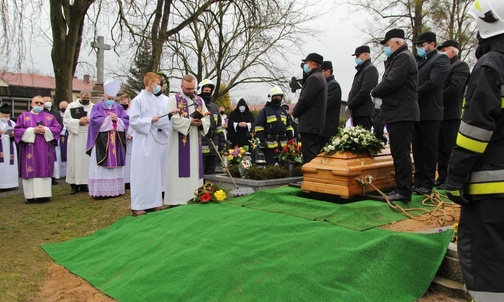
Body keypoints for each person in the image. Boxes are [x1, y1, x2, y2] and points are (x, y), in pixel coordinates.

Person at [445, 1, 504, 300]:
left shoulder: (491, 65)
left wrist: (455, 176)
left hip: (491, 188)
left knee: (487, 262)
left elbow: (474, 131)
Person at [371, 29, 419, 203]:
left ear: (397, 43)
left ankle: (403, 190)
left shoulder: (403, 57)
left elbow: (392, 81)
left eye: (387, 45)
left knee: (401, 153)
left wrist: (374, 92)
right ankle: (401, 187)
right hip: (397, 112)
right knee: (398, 152)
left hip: (402, 112)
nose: (386, 48)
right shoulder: (398, 58)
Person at [129, 72, 178, 216]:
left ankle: (153, 203)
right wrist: (150, 120)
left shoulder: (156, 100)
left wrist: (169, 115)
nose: (159, 86)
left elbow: (161, 120)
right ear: (150, 83)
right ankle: (138, 205)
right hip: (142, 140)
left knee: (154, 172)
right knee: (141, 173)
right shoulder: (138, 100)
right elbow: (134, 121)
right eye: (157, 83)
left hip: (154, 140)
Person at [411, 31, 451, 196]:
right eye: (418, 45)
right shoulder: (420, 61)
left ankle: (427, 182)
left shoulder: (440, 59)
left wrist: (413, 94)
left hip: (431, 111)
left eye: (422, 45)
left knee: (429, 148)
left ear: (432, 44)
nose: (420, 48)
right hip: (417, 112)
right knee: (418, 148)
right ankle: (418, 180)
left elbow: (434, 83)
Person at [165, 74, 210, 206]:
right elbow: (172, 119)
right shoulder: (173, 99)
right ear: (181, 86)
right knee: (178, 169)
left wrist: (201, 123)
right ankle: (177, 199)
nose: (191, 91)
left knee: (194, 169)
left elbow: (207, 117)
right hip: (179, 142)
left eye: (192, 88)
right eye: (188, 89)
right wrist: (189, 122)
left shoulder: (199, 100)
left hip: (195, 140)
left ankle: (194, 196)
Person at [434, 40, 470, 190]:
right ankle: (442, 176)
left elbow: (454, 88)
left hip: (451, 114)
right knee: (440, 148)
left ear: (453, 51)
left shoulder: (460, 66)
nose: (441, 53)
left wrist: (435, 98)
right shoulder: (443, 67)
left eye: (444, 50)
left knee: (449, 148)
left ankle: (450, 178)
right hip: (439, 114)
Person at [86, 78, 129, 198]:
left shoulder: (119, 108)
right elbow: (94, 121)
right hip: (102, 142)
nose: (111, 101)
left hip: (116, 140)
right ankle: (100, 191)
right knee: (101, 166)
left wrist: (118, 120)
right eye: (108, 98)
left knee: (115, 165)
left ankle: (115, 190)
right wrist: (108, 120)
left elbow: (126, 120)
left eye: (112, 99)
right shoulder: (97, 107)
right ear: (104, 95)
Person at [14, 96, 61, 203]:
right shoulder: (23, 116)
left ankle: (43, 195)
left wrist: (46, 130)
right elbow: (17, 130)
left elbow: (57, 128)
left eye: (41, 103)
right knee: (30, 169)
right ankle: (30, 196)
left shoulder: (50, 117)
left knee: (44, 168)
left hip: (45, 150)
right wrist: (32, 130)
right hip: (29, 150)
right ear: (31, 104)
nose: (39, 104)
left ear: (44, 105)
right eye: (37, 102)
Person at [292, 53, 328, 164]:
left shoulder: (314, 79)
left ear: (313, 64)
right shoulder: (319, 77)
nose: (305, 65)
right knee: (312, 152)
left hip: (310, 124)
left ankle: (310, 179)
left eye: (306, 63)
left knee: (309, 155)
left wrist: (295, 112)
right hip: (314, 123)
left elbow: (305, 100)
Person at [64, 90, 94, 195]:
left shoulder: (93, 107)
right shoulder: (72, 106)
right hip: (76, 136)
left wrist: (90, 121)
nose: (86, 100)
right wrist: (78, 122)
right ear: (80, 96)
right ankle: (74, 185)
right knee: (74, 160)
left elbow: (97, 120)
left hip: (88, 136)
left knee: (86, 162)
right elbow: (66, 121)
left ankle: (84, 184)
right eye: (84, 98)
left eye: (87, 98)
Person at [255, 86, 295, 165]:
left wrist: (291, 139)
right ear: (271, 97)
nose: (278, 99)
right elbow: (259, 127)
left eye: (279, 97)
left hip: (283, 147)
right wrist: (262, 141)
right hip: (269, 146)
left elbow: (288, 126)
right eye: (276, 97)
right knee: (270, 168)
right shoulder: (264, 111)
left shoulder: (283, 111)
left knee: (283, 169)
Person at [346, 45, 379, 131]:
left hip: (364, 113)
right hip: (357, 113)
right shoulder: (361, 71)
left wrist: (351, 105)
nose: (356, 59)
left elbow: (365, 91)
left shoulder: (370, 69)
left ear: (366, 55)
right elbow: (353, 90)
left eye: (358, 56)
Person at [199, 79, 225, 175]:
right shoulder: (196, 106)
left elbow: (218, 126)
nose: (208, 93)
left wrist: (222, 140)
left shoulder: (214, 107)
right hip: (201, 144)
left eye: (209, 91)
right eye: (206, 91)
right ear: (200, 91)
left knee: (211, 174)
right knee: (200, 173)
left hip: (213, 146)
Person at [319, 61, 342, 150]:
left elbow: (326, 105)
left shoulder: (333, 86)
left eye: (321, 72)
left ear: (328, 72)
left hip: (327, 129)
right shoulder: (326, 85)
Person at [42, 96, 63, 183]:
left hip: (53, 138)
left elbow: (59, 125)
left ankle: (54, 176)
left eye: (49, 101)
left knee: (55, 158)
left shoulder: (56, 113)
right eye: (46, 101)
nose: (48, 102)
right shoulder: (41, 112)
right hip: (42, 139)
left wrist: (53, 133)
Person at [0, 104, 19, 189]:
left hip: (10, 145)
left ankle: (11, 184)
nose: (6, 117)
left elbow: (18, 134)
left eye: (7, 116)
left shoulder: (12, 123)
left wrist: (13, 135)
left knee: (10, 165)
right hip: (1, 145)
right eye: (4, 116)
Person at [119, 94, 132, 189]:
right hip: (119, 138)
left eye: (125, 103)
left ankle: (129, 181)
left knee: (129, 160)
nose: (123, 104)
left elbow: (133, 124)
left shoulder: (131, 112)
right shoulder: (117, 112)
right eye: (122, 103)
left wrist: (130, 134)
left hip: (130, 139)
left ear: (129, 103)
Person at [58, 101, 69, 179]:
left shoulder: (69, 114)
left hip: (67, 136)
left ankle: (66, 172)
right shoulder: (57, 115)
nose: (63, 108)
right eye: (62, 106)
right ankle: (59, 173)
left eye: (65, 107)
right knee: (59, 154)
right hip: (59, 136)